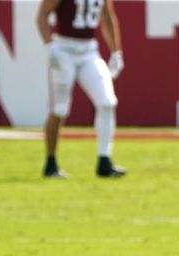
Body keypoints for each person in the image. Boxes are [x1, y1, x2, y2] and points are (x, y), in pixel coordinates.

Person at [36, 0, 126, 179]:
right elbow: (41, 17)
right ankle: (51, 163)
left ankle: (104, 160)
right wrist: (50, 45)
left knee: (107, 102)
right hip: (63, 49)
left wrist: (116, 52)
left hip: (89, 51)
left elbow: (107, 18)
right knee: (59, 109)